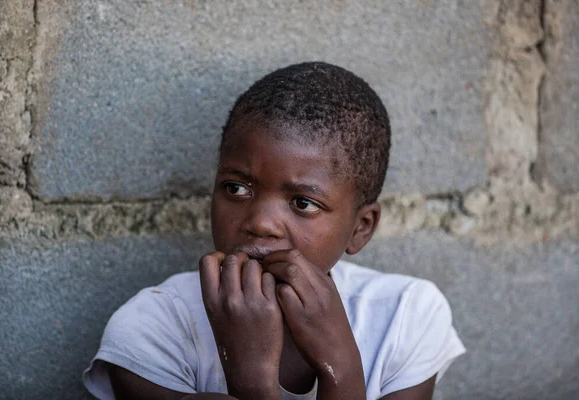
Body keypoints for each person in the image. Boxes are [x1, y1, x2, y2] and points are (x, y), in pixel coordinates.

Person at [83, 61, 465, 400]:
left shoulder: (404, 317)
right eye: (236, 188)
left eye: (303, 203)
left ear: (360, 229)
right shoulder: (151, 332)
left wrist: (342, 367)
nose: (260, 222)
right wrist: (252, 380)